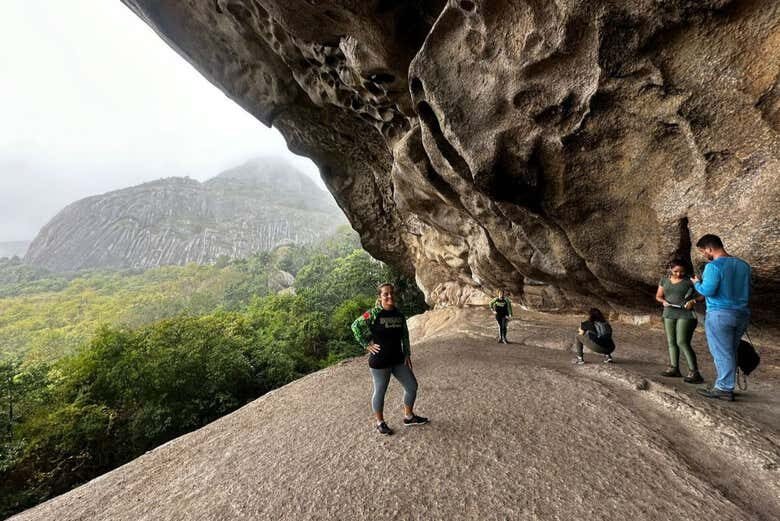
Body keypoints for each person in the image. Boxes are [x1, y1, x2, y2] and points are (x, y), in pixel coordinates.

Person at [351, 283, 429, 435]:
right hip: (380, 362)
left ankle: (408, 416)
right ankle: (380, 422)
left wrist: (407, 353)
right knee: (380, 391)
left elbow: (405, 335)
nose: (389, 296)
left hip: (398, 359)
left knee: (412, 386)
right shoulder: (373, 314)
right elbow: (355, 326)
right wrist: (366, 345)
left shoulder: (399, 315)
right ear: (380, 297)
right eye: (385, 294)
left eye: (391, 293)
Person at [692, 234, 751, 401]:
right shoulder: (743, 265)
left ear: (710, 248)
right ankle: (727, 384)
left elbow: (707, 291)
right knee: (730, 350)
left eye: (704, 251)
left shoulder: (713, 267)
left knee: (721, 352)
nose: (704, 254)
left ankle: (724, 388)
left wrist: (696, 283)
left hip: (720, 314)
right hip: (741, 313)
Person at [655, 260, 704, 383]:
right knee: (671, 341)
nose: (679, 274)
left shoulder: (690, 281)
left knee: (682, 341)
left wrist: (693, 301)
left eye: (682, 271)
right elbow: (658, 296)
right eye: (676, 271)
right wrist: (663, 301)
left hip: (686, 314)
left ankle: (694, 372)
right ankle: (674, 368)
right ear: (670, 269)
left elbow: (703, 295)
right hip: (669, 313)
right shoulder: (664, 280)